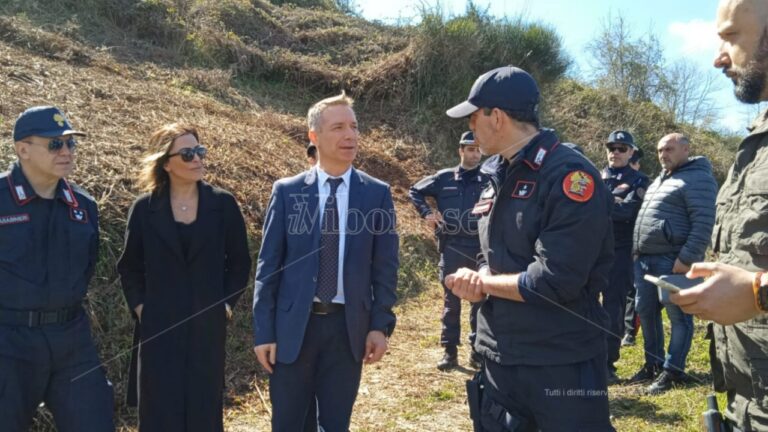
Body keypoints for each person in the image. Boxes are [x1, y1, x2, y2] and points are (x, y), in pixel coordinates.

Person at [445, 66, 615, 431]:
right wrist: (480, 277)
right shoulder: (496, 172)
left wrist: (484, 282)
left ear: (498, 118)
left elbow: (556, 281)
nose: (471, 130)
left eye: (474, 118)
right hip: (500, 356)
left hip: (559, 362)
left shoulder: (570, 175)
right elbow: (494, 253)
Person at [252, 92, 399, 432]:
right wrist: (264, 331)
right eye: (338, 128)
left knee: (335, 424)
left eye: (354, 126)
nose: (350, 135)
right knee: (288, 423)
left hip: (347, 330)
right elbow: (268, 266)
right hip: (293, 331)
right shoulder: (288, 192)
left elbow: (385, 267)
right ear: (314, 137)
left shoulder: (376, 193)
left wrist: (379, 324)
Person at [669, 0, 768, 428]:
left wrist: (756, 293)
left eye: (730, 36)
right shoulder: (756, 137)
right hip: (747, 400)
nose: (718, 57)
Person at [117, 123, 252, 432]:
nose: (197, 159)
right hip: (158, 330)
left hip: (207, 329)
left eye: (200, 151)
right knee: (158, 414)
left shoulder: (223, 204)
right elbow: (130, 267)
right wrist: (142, 309)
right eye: (188, 154)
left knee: (203, 413)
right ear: (166, 163)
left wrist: (226, 306)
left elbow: (240, 263)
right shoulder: (144, 209)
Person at [0, 106, 114, 431]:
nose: (65, 151)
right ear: (23, 149)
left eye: (70, 144)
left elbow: (86, 268)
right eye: (54, 144)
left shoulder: (84, 206)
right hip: (8, 341)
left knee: (94, 421)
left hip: (71, 338)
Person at [630, 133, 717, 394]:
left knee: (679, 316)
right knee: (644, 310)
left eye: (669, 149)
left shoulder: (698, 178)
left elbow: (703, 223)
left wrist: (687, 259)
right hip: (645, 259)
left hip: (673, 259)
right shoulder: (661, 178)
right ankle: (652, 364)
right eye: (659, 150)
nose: (663, 154)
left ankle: (673, 370)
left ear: (686, 149)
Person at [408, 130, 489, 370]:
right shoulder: (444, 178)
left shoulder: (489, 180)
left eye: (478, 149)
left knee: (479, 301)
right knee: (451, 301)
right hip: (452, 245)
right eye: (470, 149)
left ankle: (477, 351)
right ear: (461, 151)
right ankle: (449, 352)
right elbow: (415, 191)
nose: (475, 154)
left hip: (479, 247)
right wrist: (427, 213)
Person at [600, 130, 648, 383]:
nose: (615, 152)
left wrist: (598, 205)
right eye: (612, 147)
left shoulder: (639, 181)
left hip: (620, 251)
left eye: (621, 148)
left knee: (613, 307)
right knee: (583, 302)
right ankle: (587, 356)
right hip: (592, 250)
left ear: (631, 152)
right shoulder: (595, 177)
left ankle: (608, 362)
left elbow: (628, 212)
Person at [622, 147, 649, 347]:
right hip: (616, 242)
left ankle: (630, 332)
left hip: (634, 242)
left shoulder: (641, 181)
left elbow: (629, 210)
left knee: (633, 289)